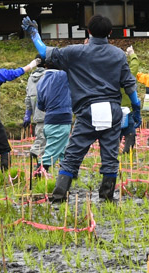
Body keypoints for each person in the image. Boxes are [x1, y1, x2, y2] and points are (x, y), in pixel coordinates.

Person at [22, 14, 140, 204]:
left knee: (73, 155)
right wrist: (137, 110)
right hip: (112, 111)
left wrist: (34, 33)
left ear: (88, 32)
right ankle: (107, 197)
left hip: (87, 111)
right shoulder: (118, 54)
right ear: (110, 33)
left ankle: (59, 196)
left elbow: (44, 52)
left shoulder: (75, 52)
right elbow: (130, 86)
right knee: (110, 155)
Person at [35, 64, 73, 170]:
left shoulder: (41, 81)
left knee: (63, 153)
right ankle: (37, 175)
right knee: (49, 156)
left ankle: (64, 179)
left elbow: (40, 105)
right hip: (60, 121)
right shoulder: (62, 76)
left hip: (49, 121)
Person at [23, 63, 48, 172]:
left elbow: (28, 98)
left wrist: (27, 114)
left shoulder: (31, 78)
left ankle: (39, 165)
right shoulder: (48, 75)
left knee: (41, 137)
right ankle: (37, 160)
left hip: (37, 114)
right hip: (50, 113)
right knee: (44, 140)